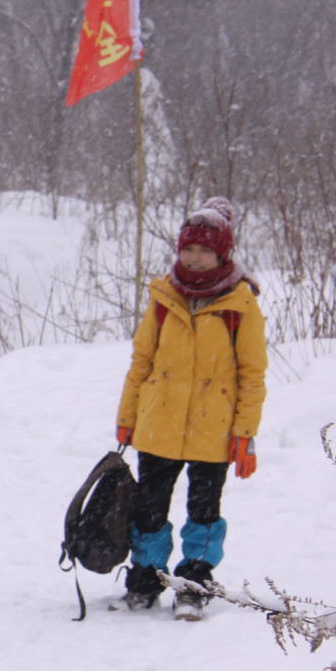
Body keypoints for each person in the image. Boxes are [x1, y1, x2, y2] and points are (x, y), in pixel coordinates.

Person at [113, 196, 267, 616]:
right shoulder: (164, 296)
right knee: (149, 510)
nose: (195, 258)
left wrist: (244, 433)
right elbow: (141, 361)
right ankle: (144, 582)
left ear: (223, 253)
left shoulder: (241, 303)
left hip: (212, 428)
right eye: (189, 249)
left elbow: (252, 376)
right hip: (157, 423)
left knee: (203, 513)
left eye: (205, 250)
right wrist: (127, 418)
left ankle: (193, 586)